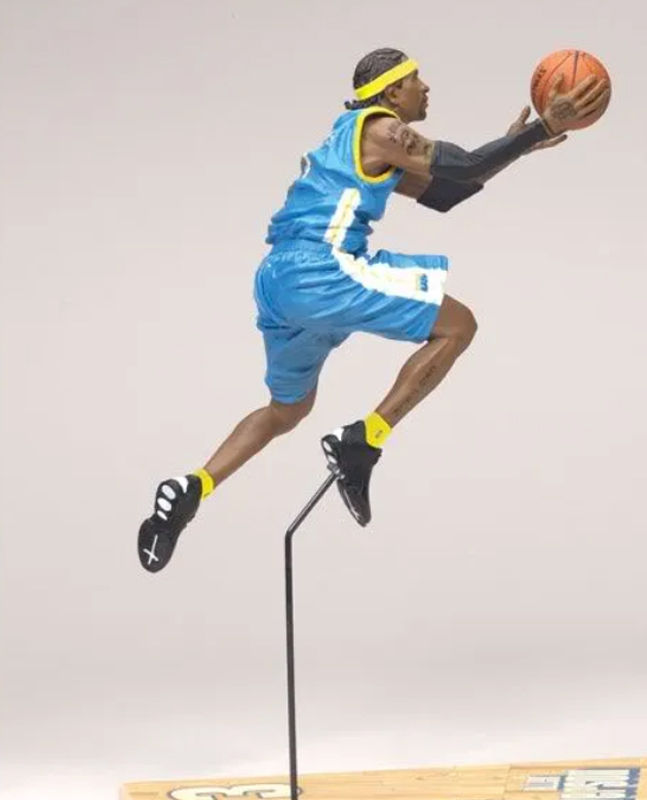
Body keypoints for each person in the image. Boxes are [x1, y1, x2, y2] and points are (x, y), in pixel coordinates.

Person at [137, 48, 609, 574]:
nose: (425, 88)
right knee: (459, 326)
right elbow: (465, 163)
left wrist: (520, 145)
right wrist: (543, 125)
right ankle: (364, 442)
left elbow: (448, 193)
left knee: (286, 411)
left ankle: (193, 487)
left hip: (277, 281)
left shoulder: (352, 143)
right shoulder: (380, 128)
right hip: (322, 269)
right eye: (415, 80)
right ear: (390, 93)